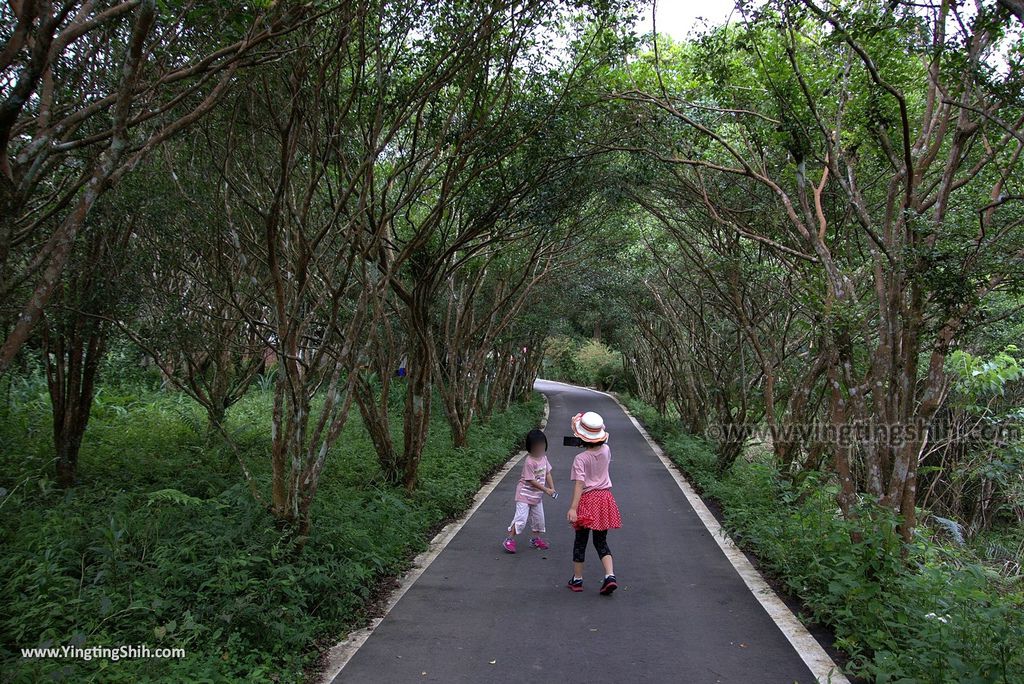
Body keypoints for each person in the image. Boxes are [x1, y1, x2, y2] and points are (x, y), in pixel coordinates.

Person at [566, 411, 621, 595]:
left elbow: (580, 484)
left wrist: (573, 508)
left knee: (580, 542)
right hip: (605, 499)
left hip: (588, 501)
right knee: (601, 541)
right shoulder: (606, 450)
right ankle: (610, 575)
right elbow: (600, 444)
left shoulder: (580, 459)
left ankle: (577, 580)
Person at [503, 429, 556, 553]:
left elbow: (547, 473)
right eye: (536, 447)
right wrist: (546, 490)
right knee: (521, 519)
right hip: (524, 495)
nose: (539, 449)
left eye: (542, 446)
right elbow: (531, 480)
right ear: (530, 447)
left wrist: (552, 488)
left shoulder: (543, 458)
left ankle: (535, 539)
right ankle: (509, 539)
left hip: (536, 497)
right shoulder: (529, 461)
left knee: (539, 519)